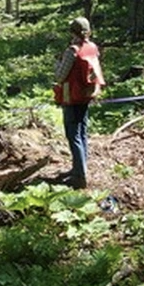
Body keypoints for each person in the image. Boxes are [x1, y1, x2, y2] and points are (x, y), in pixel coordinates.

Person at [53, 16, 105, 188]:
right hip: (86, 95)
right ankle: (78, 168)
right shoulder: (92, 47)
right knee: (82, 133)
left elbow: (60, 76)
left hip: (71, 97)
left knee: (73, 135)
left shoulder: (72, 51)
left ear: (73, 32)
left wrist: (56, 63)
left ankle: (80, 176)